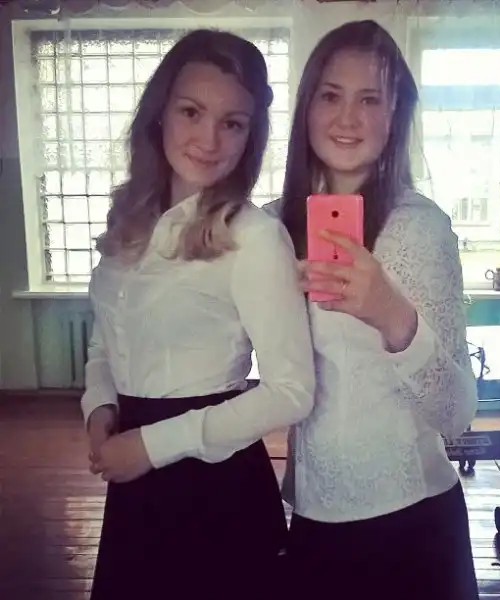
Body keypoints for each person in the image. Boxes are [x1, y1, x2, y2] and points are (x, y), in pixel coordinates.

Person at [81, 29, 315, 600]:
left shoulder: (254, 237)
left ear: (251, 135)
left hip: (213, 485)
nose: (209, 140)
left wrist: (150, 446)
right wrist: (99, 406)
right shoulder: (128, 221)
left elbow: (292, 391)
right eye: (192, 112)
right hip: (131, 472)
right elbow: (106, 342)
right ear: (160, 112)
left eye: (232, 123)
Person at [265, 20, 480, 599]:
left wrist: (391, 315)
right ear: (306, 107)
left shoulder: (422, 230)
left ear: (395, 115)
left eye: (370, 99)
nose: (347, 117)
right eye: (330, 95)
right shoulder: (270, 229)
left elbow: (458, 414)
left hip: (414, 524)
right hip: (312, 516)